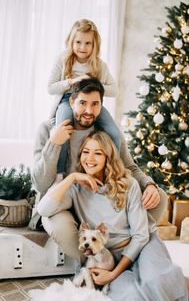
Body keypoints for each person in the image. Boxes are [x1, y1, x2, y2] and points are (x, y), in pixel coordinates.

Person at [37, 131, 189, 301]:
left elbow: (140, 235)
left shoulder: (128, 184)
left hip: (143, 245)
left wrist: (113, 273)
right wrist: (71, 178)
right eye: (86, 151)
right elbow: (44, 209)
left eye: (98, 153)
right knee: (132, 298)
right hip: (110, 257)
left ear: (108, 157)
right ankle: (186, 294)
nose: (90, 158)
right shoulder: (75, 189)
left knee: (154, 282)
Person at [30, 77, 167, 263]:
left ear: (101, 105)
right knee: (60, 227)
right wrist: (54, 143)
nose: (88, 111)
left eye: (95, 104)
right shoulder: (47, 130)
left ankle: (128, 248)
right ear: (71, 102)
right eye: (82, 103)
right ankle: (96, 264)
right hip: (62, 197)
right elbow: (40, 183)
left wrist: (149, 184)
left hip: (95, 198)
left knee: (159, 197)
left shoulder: (107, 133)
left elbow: (129, 167)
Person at [48, 18, 119, 178]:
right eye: (78, 42)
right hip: (68, 100)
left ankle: (113, 172)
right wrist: (71, 82)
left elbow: (114, 91)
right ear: (71, 41)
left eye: (88, 43)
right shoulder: (63, 60)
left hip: (93, 103)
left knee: (114, 132)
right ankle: (60, 174)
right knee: (63, 129)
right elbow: (50, 88)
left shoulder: (100, 65)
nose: (82, 47)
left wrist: (94, 83)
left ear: (95, 45)